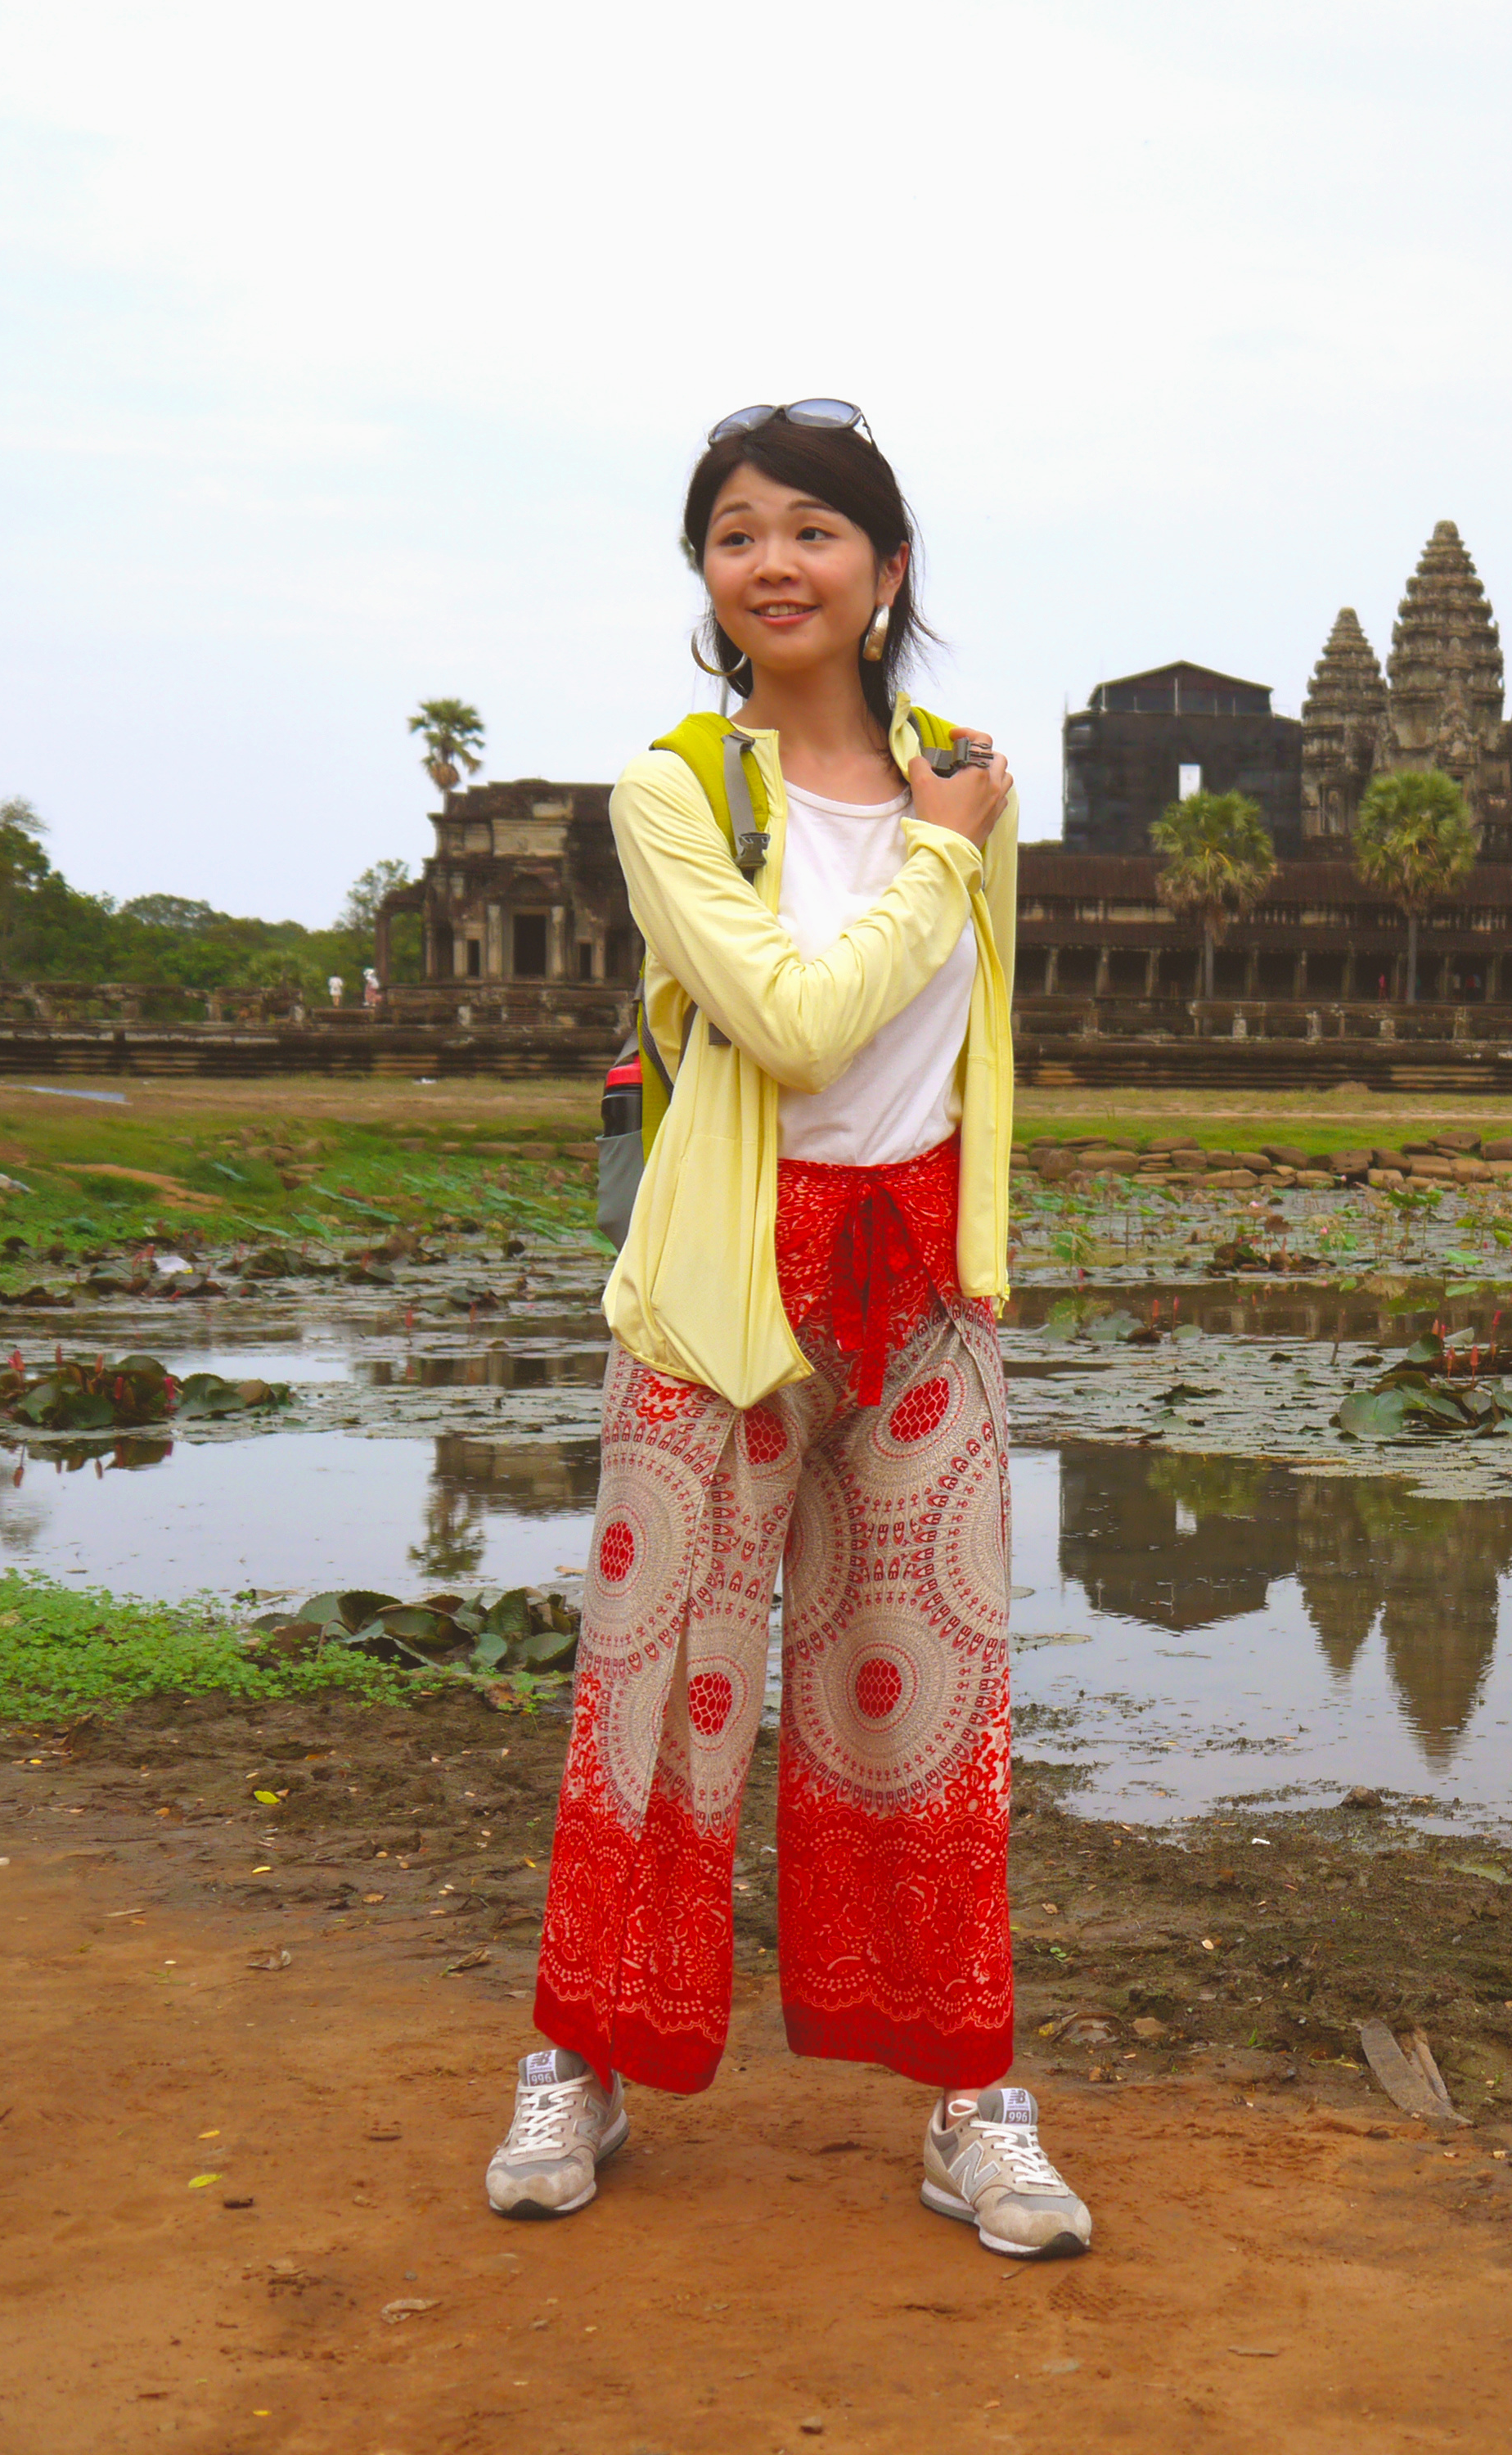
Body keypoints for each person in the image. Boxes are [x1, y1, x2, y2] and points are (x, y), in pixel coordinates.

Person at [481, 401, 1078, 2259]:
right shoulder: (677, 791)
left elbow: (973, 1049)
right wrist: (929, 855)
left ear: (885, 570)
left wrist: (975, 1260)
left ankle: (969, 2098)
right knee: (658, 1684)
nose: (773, 560)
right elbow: (798, 1023)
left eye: (812, 528)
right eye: (734, 532)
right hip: (731, 1281)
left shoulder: (967, 780)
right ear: (710, 583)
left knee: (934, 1695)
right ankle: (581, 2055)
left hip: (918, 1285)